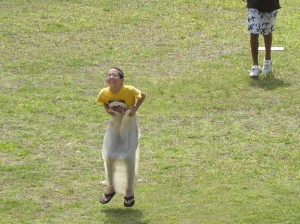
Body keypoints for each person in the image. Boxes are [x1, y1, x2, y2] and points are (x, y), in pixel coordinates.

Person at [96, 67, 146, 207]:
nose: (111, 77)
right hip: (115, 126)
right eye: (109, 75)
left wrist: (134, 109)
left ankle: (129, 191)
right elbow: (105, 103)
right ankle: (110, 187)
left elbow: (142, 95)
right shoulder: (104, 93)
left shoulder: (129, 90)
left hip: (129, 126)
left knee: (128, 157)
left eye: (115, 75)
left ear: (121, 80)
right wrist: (108, 110)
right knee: (109, 155)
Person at [244, 0, 281, 77]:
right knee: (253, 32)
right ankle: (255, 66)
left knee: (266, 32)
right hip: (253, 4)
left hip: (270, 5)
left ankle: (267, 60)